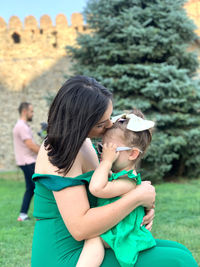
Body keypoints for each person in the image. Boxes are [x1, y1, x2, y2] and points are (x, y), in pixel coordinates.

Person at [31, 76, 198, 267]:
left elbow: (110, 190)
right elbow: (80, 228)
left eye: (109, 117)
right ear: (82, 123)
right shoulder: (58, 150)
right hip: (66, 255)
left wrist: (141, 207)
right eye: (101, 124)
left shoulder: (86, 143)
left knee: (179, 251)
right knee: (178, 261)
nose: (110, 125)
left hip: (96, 244)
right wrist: (135, 197)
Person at [77, 109, 156, 267]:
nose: (103, 154)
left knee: (94, 238)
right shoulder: (118, 175)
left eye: (110, 151)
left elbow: (96, 189)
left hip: (123, 232)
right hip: (116, 226)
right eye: (101, 148)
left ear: (132, 154)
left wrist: (106, 162)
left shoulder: (128, 182)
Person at [13, 102, 40, 221]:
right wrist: (46, 152)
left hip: (27, 161)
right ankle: (38, 215)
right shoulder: (21, 126)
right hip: (27, 162)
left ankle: (23, 214)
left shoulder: (23, 125)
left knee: (31, 187)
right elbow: (30, 145)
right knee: (38, 187)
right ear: (25, 111)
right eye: (31, 111)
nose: (32, 114)